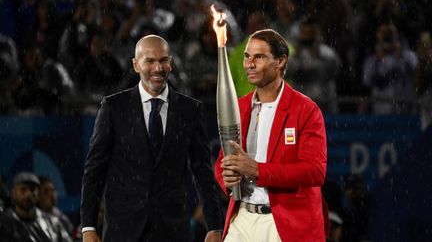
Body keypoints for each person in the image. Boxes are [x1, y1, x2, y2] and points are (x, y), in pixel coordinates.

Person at [80, 35, 223, 242]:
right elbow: (94, 171)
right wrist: (88, 227)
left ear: (171, 64)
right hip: (123, 230)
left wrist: (214, 226)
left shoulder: (190, 110)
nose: (158, 68)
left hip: (173, 230)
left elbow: (202, 172)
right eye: (150, 61)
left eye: (163, 60)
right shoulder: (114, 108)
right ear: (136, 65)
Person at [214, 29, 328, 241]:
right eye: (247, 56)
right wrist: (226, 179)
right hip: (243, 219)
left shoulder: (306, 110)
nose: (249, 64)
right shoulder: (239, 107)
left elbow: (315, 171)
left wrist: (258, 170)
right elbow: (223, 161)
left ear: (280, 61)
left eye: (259, 57)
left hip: (285, 222)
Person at [0, 172, 72, 242]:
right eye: (23, 189)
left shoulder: (54, 223)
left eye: (32, 189)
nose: (28, 194)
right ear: (13, 193)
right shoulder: (3, 224)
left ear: (38, 194)